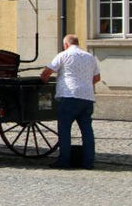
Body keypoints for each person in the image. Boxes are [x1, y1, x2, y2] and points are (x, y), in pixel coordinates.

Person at [40, 34, 101, 169]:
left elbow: (47, 72)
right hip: (87, 98)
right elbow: (97, 78)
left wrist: (43, 80)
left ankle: (64, 160)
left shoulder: (64, 55)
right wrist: (84, 83)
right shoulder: (89, 57)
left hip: (69, 96)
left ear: (66, 44)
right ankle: (88, 162)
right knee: (87, 130)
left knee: (64, 129)